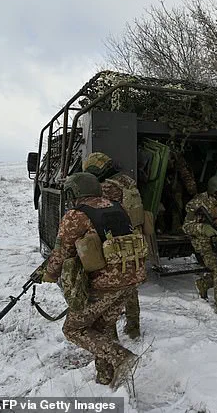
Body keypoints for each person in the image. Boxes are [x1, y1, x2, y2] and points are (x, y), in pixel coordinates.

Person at [41, 172, 146, 387]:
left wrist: (49, 274)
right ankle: (105, 378)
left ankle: (121, 357)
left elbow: (61, 252)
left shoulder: (76, 215)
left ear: (74, 192)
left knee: (73, 329)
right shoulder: (118, 206)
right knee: (102, 328)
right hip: (131, 279)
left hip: (105, 284)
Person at [83, 152, 143, 339]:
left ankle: (110, 334)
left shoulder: (106, 187)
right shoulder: (126, 180)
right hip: (134, 238)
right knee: (130, 283)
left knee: (111, 288)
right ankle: (133, 327)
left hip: (115, 241)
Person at [182, 175, 217, 318]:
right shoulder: (198, 203)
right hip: (202, 240)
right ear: (214, 192)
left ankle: (203, 284)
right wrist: (203, 229)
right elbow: (186, 227)